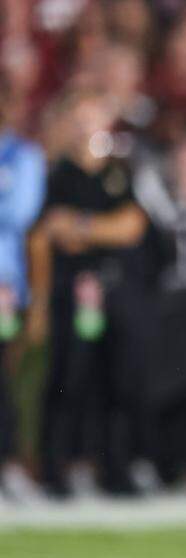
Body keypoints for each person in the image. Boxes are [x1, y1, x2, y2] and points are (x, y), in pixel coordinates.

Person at [27, 91, 149, 496]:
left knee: (119, 379)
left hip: (115, 289)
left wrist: (81, 227)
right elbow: (47, 234)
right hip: (72, 291)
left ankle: (115, 469)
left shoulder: (117, 171)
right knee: (68, 379)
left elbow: (133, 226)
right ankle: (54, 470)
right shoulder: (58, 173)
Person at [0, 77, 46, 488]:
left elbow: (21, 213)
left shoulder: (23, 156)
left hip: (5, 281)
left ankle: (12, 461)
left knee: (7, 372)